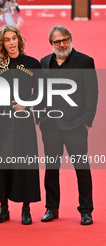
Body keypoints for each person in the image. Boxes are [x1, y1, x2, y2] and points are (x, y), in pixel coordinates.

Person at [37, 26, 98, 225]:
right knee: (51, 169)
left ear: (71, 39)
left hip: (76, 126)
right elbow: (41, 93)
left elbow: (92, 93)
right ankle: (51, 208)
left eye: (65, 40)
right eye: (57, 41)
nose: (61, 44)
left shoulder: (84, 61)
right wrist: (40, 117)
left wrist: (86, 123)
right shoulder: (44, 62)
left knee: (82, 168)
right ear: (51, 44)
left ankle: (86, 210)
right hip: (51, 126)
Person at [0, 25, 41, 225]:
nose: (11, 43)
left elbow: (41, 93)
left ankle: (26, 208)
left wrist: (27, 103)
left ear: (19, 40)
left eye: (14, 38)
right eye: (7, 39)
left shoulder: (32, 63)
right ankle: (4, 208)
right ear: (2, 43)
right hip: (4, 119)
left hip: (24, 121)